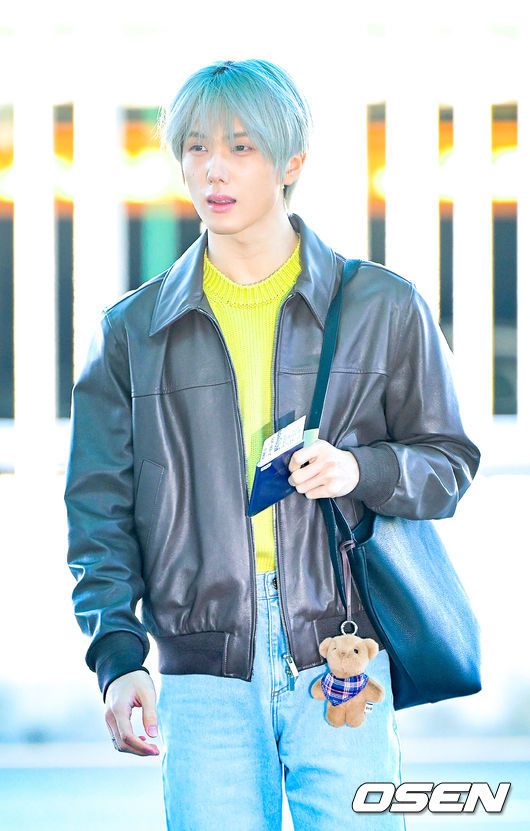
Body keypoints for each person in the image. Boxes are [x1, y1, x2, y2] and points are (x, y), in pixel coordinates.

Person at [64, 58, 481, 830]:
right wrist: (118, 656)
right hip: (203, 668)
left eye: (241, 146)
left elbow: (449, 461)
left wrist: (361, 468)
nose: (213, 168)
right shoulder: (131, 332)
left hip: (342, 654)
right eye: (196, 146)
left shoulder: (381, 305)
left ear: (292, 162)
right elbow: (98, 514)